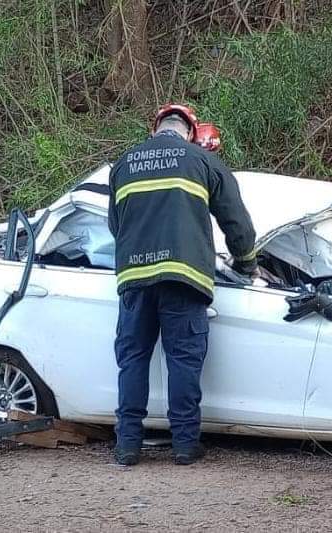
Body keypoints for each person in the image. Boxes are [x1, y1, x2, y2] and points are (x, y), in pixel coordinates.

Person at [107, 103, 257, 466]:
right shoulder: (202, 161)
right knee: (183, 362)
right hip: (184, 278)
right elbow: (236, 222)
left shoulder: (124, 164)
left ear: (155, 128)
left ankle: (127, 446)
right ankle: (185, 445)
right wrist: (246, 263)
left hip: (135, 280)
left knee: (133, 360)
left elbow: (116, 225)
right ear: (191, 131)